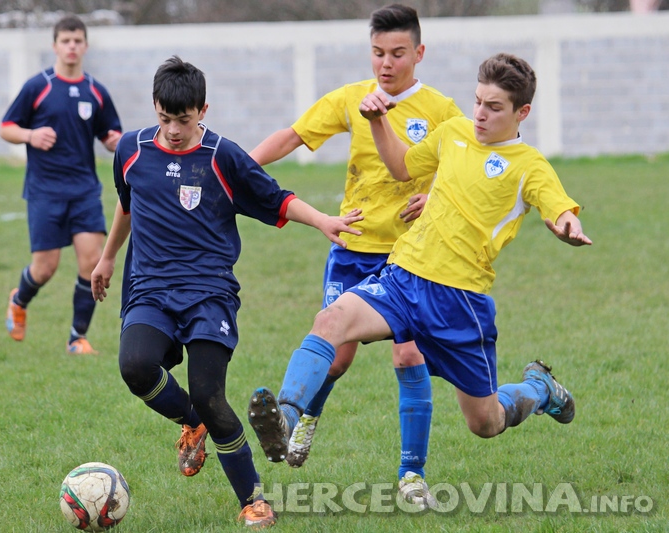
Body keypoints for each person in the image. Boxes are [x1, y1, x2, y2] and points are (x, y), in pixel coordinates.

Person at [248, 52, 592, 509]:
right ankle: (286, 420)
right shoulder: (453, 133)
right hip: (403, 276)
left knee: (485, 422)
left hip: (459, 302)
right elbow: (403, 167)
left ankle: (539, 389)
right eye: (477, 101)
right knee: (331, 320)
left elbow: (556, 204)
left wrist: (566, 222)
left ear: (521, 112)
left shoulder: (528, 164)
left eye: (494, 107)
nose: (481, 114)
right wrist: (376, 123)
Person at [90, 56, 362, 529]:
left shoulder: (221, 156)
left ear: (203, 110)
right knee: (135, 366)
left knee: (210, 394)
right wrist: (109, 256)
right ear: (155, 107)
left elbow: (276, 197)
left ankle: (253, 498)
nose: (173, 130)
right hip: (150, 287)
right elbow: (127, 202)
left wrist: (322, 221)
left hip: (208, 293)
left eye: (184, 119)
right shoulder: (131, 149)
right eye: (165, 118)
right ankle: (189, 422)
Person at [249, 3, 463, 489]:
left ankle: (412, 475)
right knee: (338, 354)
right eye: (377, 53)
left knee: (409, 356)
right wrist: (236, 169)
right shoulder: (353, 98)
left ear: (419, 53)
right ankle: (301, 417)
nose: (386, 63)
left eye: (397, 54)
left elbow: (468, 165)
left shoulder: (441, 111)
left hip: (411, 258)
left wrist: (433, 196)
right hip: (353, 247)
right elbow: (294, 136)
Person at [0, 14, 122, 355]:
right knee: (45, 268)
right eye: (65, 41)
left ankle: (76, 338)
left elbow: (110, 132)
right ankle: (19, 299)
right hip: (45, 191)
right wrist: (29, 135)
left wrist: (114, 141)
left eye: (77, 41)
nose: (71, 46)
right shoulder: (38, 87)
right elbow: (6, 127)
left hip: (84, 190)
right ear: (55, 46)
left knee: (91, 262)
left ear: (85, 46)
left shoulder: (96, 91)